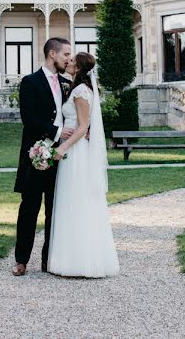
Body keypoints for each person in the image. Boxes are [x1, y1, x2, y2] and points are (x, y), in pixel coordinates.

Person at [47, 51, 120, 278]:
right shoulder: (78, 88)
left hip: (76, 153)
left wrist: (62, 148)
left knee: (75, 202)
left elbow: (83, 127)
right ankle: (72, 258)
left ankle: (77, 261)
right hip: (77, 150)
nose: (68, 62)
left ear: (78, 67)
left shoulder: (80, 91)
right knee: (74, 202)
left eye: (72, 60)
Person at [12, 37, 73, 277]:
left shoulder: (68, 84)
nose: (69, 59)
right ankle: (21, 260)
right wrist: (56, 131)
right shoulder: (30, 82)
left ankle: (49, 260)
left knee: (54, 210)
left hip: (61, 156)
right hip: (35, 155)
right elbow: (29, 118)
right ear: (52, 54)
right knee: (29, 208)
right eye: (65, 54)